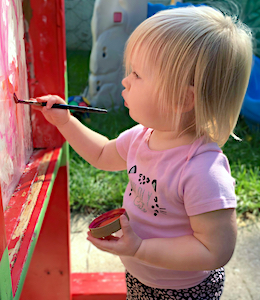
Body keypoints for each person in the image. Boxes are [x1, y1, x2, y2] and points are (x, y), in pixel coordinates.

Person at [35, 5, 253, 299]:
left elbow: (214, 251)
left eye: (136, 74)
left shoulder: (203, 171)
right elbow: (101, 154)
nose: (125, 81)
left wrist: (140, 248)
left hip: (184, 290)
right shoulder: (142, 137)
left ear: (182, 98)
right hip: (142, 275)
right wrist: (65, 121)